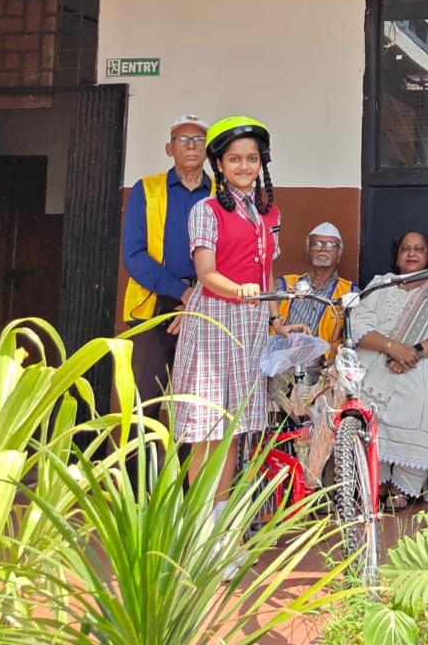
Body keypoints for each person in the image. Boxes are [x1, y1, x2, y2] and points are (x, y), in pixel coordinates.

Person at [172, 116, 304, 571]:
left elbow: (265, 274)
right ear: (220, 164)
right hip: (213, 322)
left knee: (229, 434)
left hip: (250, 325)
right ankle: (200, 533)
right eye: (234, 159)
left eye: (251, 158)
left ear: (261, 162)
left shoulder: (271, 213)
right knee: (205, 431)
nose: (244, 165)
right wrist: (238, 291)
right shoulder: (205, 211)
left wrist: (275, 319)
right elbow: (207, 274)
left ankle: (223, 534)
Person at [346, 230, 428, 507]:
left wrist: (413, 352)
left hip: (422, 358)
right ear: (397, 257)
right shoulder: (381, 285)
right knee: (362, 390)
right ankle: (377, 479)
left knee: (424, 393)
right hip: (378, 352)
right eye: (406, 248)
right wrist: (391, 347)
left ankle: (407, 484)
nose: (412, 253)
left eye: (419, 248)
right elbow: (359, 325)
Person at [121, 114, 214, 421]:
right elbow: (134, 255)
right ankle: (138, 471)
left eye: (199, 140)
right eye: (182, 140)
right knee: (144, 402)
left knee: (198, 403)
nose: (191, 146)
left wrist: (196, 297)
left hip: (208, 306)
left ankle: (189, 471)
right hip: (153, 306)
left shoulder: (221, 194)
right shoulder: (146, 190)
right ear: (169, 148)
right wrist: (181, 292)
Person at [275, 222, 356, 358]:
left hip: (323, 368)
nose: (323, 249)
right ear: (308, 253)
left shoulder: (350, 292)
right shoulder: (284, 284)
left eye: (331, 245)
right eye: (317, 244)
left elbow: (354, 338)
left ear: (339, 256)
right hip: (282, 363)